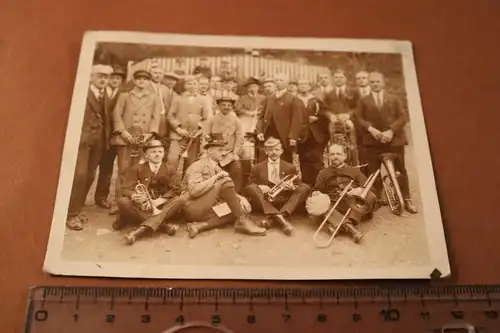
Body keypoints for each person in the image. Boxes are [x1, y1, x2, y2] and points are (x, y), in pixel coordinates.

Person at [125, 132, 265, 243]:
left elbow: (221, 191)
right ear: (209, 151)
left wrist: (239, 198)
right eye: (219, 150)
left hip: (206, 208)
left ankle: (200, 226)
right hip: (193, 207)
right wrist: (217, 178)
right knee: (227, 181)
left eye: (224, 150)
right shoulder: (198, 165)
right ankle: (242, 222)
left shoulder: (215, 166)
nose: (223, 153)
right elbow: (194, 191)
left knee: (241, 208)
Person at [354, 71, 418, 213]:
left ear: (383, 83)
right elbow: (358, 118)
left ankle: (406, 199)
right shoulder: (363, 101)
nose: (375, 84)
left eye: (377, 81)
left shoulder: (394, 99)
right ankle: (377, 197)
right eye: (372, 82)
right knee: (373, 171)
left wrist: (391, 131)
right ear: (369, 84)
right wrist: (371, 129)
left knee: (400, 170)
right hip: (373, 141)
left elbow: (403, 117)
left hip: (393, 140)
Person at [66, 64, 113, 230]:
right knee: (79, 175)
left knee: (90, 176)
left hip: (99, 142)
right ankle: (70, 215)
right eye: (100, 76)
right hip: (82, 141)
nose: (103, 80)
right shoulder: (81, 93)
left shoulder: (106, 94)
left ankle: (76, 209)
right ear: (92, 77)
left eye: (106, 77)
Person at [110, 69, 162, 201]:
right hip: (126, 138)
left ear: (149, 82)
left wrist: (149, 134)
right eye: (139, 79)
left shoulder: (154, 98)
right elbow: (116, 115)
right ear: (134, 81)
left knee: (141, 169)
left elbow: (156, 118)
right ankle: (119, 201)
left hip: (144, 139)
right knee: (124, 169)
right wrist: (123, 132)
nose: (142, 81)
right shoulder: (125, 96)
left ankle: (139, 199)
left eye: (145, 79)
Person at [114, 139, 180, 240]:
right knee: (122, 201)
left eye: (160, 151)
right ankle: (163, 225)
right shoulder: (137, 168)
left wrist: (160, 201)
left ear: (164, 154)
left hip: (161, 205)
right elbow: (126, 188)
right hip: (142, 205)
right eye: (153, 152)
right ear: (146, 155)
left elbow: (176, 189)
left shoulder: (170, 169)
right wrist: (134, 196)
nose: (157, 154)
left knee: (179, 200)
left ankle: (138, 232)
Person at [310, 143, 377, 243]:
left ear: (345, 156)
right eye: (332, 154)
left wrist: (360, 190)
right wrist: (317, 194)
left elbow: (371, 189)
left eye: (338, 154)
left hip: (353, 205)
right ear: (328, 156)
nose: (335, 156)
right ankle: (350, 228)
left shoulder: (355, 171)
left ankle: (337, 225)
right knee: (320, 203)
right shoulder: (323, 173)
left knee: (370, 196)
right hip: (335, 206)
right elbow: (318, 190)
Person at [244, 137, 311, 236]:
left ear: (282, 151)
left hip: (284, 200)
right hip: (265, 200)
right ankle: (282, 219)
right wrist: (259, 186)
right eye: (270, 150)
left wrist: (292, 187)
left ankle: (276, 217)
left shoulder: (290, 167)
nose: (274, 152)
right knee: (252, 188)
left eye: (277, 149)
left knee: (305, 188)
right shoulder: (257, 167)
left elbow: (298, 184)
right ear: (266, 152)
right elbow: (248, 188)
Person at [94, 65, 126, 214]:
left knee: (109, 169)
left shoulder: (123, 94)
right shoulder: (101, 93)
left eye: (118, 79)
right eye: (112, 78)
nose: (115, 81)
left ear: (121, 81)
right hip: (101, 136)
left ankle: (102, 197)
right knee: (95, 167)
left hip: (118, 137)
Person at [166, 75, 213, 174]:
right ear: (184, 86)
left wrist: (199, 130)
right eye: (189, 84)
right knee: (172, 159)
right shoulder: (177, 98)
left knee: (191, 163)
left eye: (195, 84)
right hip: (178, 136)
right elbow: (170, 116)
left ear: (198, 85)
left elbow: (206, 118)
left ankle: (186, 185)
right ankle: (169, 184)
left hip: (194, 137)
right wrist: (178, 129)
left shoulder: (204, 100)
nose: (192, 86)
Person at [255, 74, 304, 163]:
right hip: (268, 135)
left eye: (281, 80)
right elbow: (261, 116)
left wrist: (293, 137)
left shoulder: (293, 99)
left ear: (287, 83)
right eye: (276, 80)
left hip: (284, 136)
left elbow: (297, 120)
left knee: (285, 161)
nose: (278, 83)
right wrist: (260, 131)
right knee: (265, 160)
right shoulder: (269, 98)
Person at [204, 91, 245, 193]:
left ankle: (235, 193)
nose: (226, 107)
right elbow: (206, 136)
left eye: (229, 105)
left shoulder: (235, 120)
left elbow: (240, 138)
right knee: (205, 165)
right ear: (218, 106)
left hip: (229, 153)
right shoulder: (212, 119)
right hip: (214, 152)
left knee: (237, 166)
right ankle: (210, 192)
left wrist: (235, 153)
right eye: (223, 105)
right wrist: (207, 151)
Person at [296, 78, 330, 186]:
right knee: (304, 161)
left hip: (316, 136)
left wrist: (317, 118)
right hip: (301, 136)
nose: (304, 86)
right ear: (298, 86)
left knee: (317, 161)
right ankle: (306, 186)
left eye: (306, 84)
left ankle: (320, 186)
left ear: (309, 86)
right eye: (301, 84)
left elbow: (325, 115)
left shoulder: (316, 100)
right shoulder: (294, 100)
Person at [147, 66, 178, 140]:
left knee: (162, 139)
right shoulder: (146, 87)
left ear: (163, 76)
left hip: (163, 118)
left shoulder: (165, 88)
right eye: (155, 73)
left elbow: (169, 106)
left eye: (160, 73)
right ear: (150, 74)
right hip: (150, 118)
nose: (158, 75)